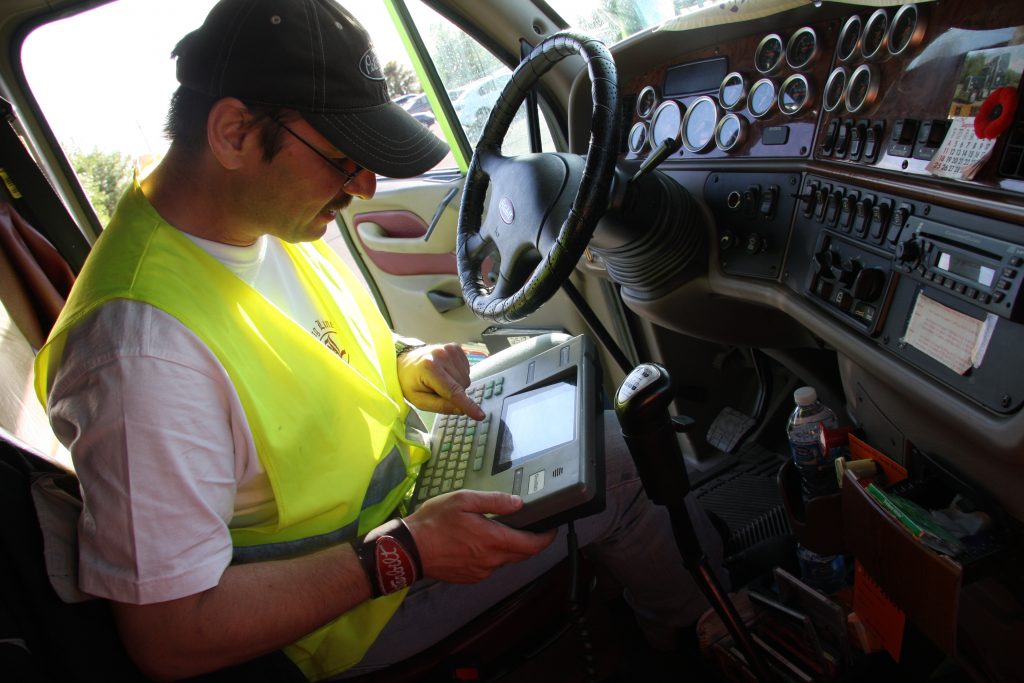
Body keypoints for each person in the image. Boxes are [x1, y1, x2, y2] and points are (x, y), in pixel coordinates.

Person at [34, 0, 724, 680]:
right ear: (235, 133)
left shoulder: (259, 222)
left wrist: (408, 365)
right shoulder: (139, 354)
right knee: (620, 463)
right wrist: (404, 555)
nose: (363, 186)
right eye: (343, 159)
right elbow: (171, 634)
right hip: (349, 609)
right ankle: (714, 629)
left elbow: (318, 356)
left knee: (560, 383)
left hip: (412, 499)